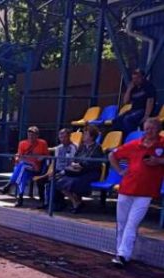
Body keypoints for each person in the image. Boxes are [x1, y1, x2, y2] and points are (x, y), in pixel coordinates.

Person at [108, 117, 164, 267]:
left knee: (132, 223)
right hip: (126, 188)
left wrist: (159, 161)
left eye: (152, 128)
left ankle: (123, 254)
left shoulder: (162, 144)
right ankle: (120, 252)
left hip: (146, 192)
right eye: (146, 128)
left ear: (158, 129)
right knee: (122, 223)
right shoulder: (134, 144)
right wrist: (120, 171)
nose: (149, 131)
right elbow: (112, 155)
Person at [54, 125, 103, 213]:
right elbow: (75, 158)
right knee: (59, 180)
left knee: (74, 182)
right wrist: (75, 164)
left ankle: (77, 204)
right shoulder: (82, 146)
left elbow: (93, 163)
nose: (83, 135)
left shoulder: (97, 147)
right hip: (78, 171)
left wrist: (81, 165)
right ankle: (76, 202)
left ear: (92, 137)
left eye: (86, 134)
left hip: (90, 173)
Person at [0, 126, 49, 207]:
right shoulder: (22, 143)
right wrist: (30, 162)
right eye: (29, 134)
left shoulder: (42, 143)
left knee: (21, 167)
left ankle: (9, 185)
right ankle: (20, 198)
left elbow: (47, 156)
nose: (31, 136)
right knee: (23, 174)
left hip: (35, 168)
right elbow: (20, 157)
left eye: (33, 135)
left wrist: (41, 158)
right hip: (25, 167)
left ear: (37, 135)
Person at [33, 128, 77, 209]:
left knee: (54, 180)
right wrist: (52, 171)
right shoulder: (58, 148)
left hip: (67, 171)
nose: (62, 139)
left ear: (69, 137)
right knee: (42, 180)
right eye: (61, 137)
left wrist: (61, 172)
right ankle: (46, 202)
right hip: (57, 170)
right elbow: (56, 162)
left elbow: (72, 163)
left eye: (64, 137)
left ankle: (57, 204)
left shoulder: (73, 147)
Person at [113, 69, 156, 136]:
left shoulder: (148, 86)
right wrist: (129, 89)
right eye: (133, 78)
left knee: (128, 119)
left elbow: (150, 101)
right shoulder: (133, 88)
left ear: (142, 77)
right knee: (117, 120)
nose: (135, 80)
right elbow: (125, 101)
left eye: (137, 78)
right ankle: (122, 137)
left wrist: (146, 115)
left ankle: (132, 136)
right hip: (134, 110)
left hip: (143, 110)